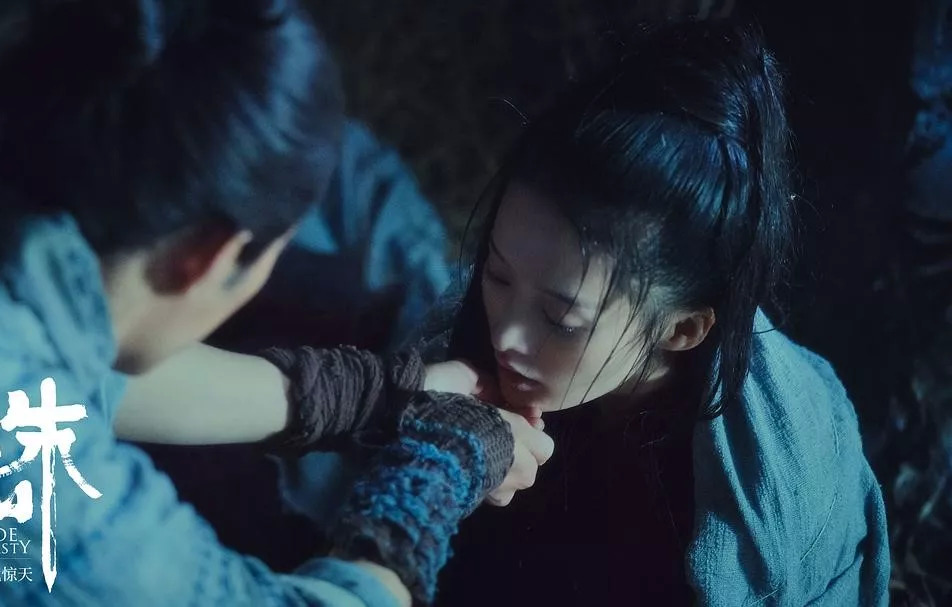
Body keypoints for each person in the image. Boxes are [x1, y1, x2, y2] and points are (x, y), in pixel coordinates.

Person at [0, 1, 553, 605]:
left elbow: (99, 385)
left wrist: (377, 395)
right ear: (213, 257)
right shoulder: (28, 489)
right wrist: (442, 464)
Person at [281, 19, 892, 605]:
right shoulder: (459, 341)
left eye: (561, 319)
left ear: (683, 329)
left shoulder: (773, 488)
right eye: (497, 273)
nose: (505, 333)